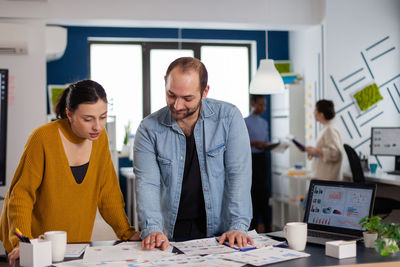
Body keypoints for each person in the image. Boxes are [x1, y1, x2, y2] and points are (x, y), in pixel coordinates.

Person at [0, 80, 139, 266]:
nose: (97, 126)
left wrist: (127, 233)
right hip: (34, 243)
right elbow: (21, 196)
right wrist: (22, 243)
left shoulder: (100, 139)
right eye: (88, 119)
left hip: (76, 245)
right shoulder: (42, 138)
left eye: (103, 117)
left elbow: (108, 193)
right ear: (69, 114)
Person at [134, 57, 253, 251]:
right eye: (171, 95)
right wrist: (152, 228)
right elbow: (147, 183)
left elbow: (238, 174)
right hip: (169, 234)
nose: (178, 105)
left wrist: (238, 226)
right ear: (165, 82)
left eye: (187, 98)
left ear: (205, 92)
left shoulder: (228, 117)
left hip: (220, 232)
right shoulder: (148, 128)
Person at [245, 95, 270, 233]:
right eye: (260, 104)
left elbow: (265, 141)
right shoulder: (245, 122)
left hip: (262, 158)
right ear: (252, 104)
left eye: (264, 105)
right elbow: (241, 144)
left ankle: (267, 227)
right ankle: (252, 227)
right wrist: (255, 143)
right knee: (253, 193)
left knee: (264, 193)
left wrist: (266, 145)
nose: (263, 108)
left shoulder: (264, 123)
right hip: (251, 160)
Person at [305, 99, 344, 181]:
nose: (313, 113)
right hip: (321, 176)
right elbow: (324, 151)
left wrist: (317, 151)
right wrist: (313, 151)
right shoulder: (325, 128)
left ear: (321, 114)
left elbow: (336, 154)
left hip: (327, 179)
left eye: (315, 110)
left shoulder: (330, 129)